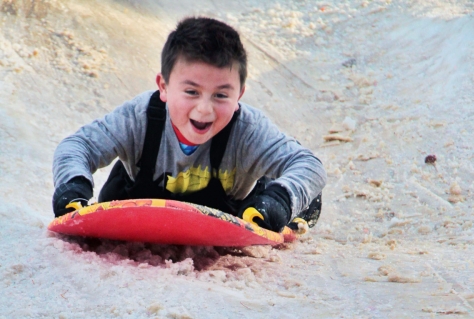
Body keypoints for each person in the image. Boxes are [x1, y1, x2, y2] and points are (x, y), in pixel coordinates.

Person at [52, 16, 326, 234]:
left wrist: (280, 200)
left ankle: (284, 202)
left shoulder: (249, 130)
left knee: (290, 197)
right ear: (164, 87)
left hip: (233, 208)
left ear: (239, 96)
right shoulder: (137, 117)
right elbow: (78, 146)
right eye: (191, 92)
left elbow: (309, 164)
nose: (204, 109)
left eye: (221, 95)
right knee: (110, 188)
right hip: (135, 194)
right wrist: (72, 186)